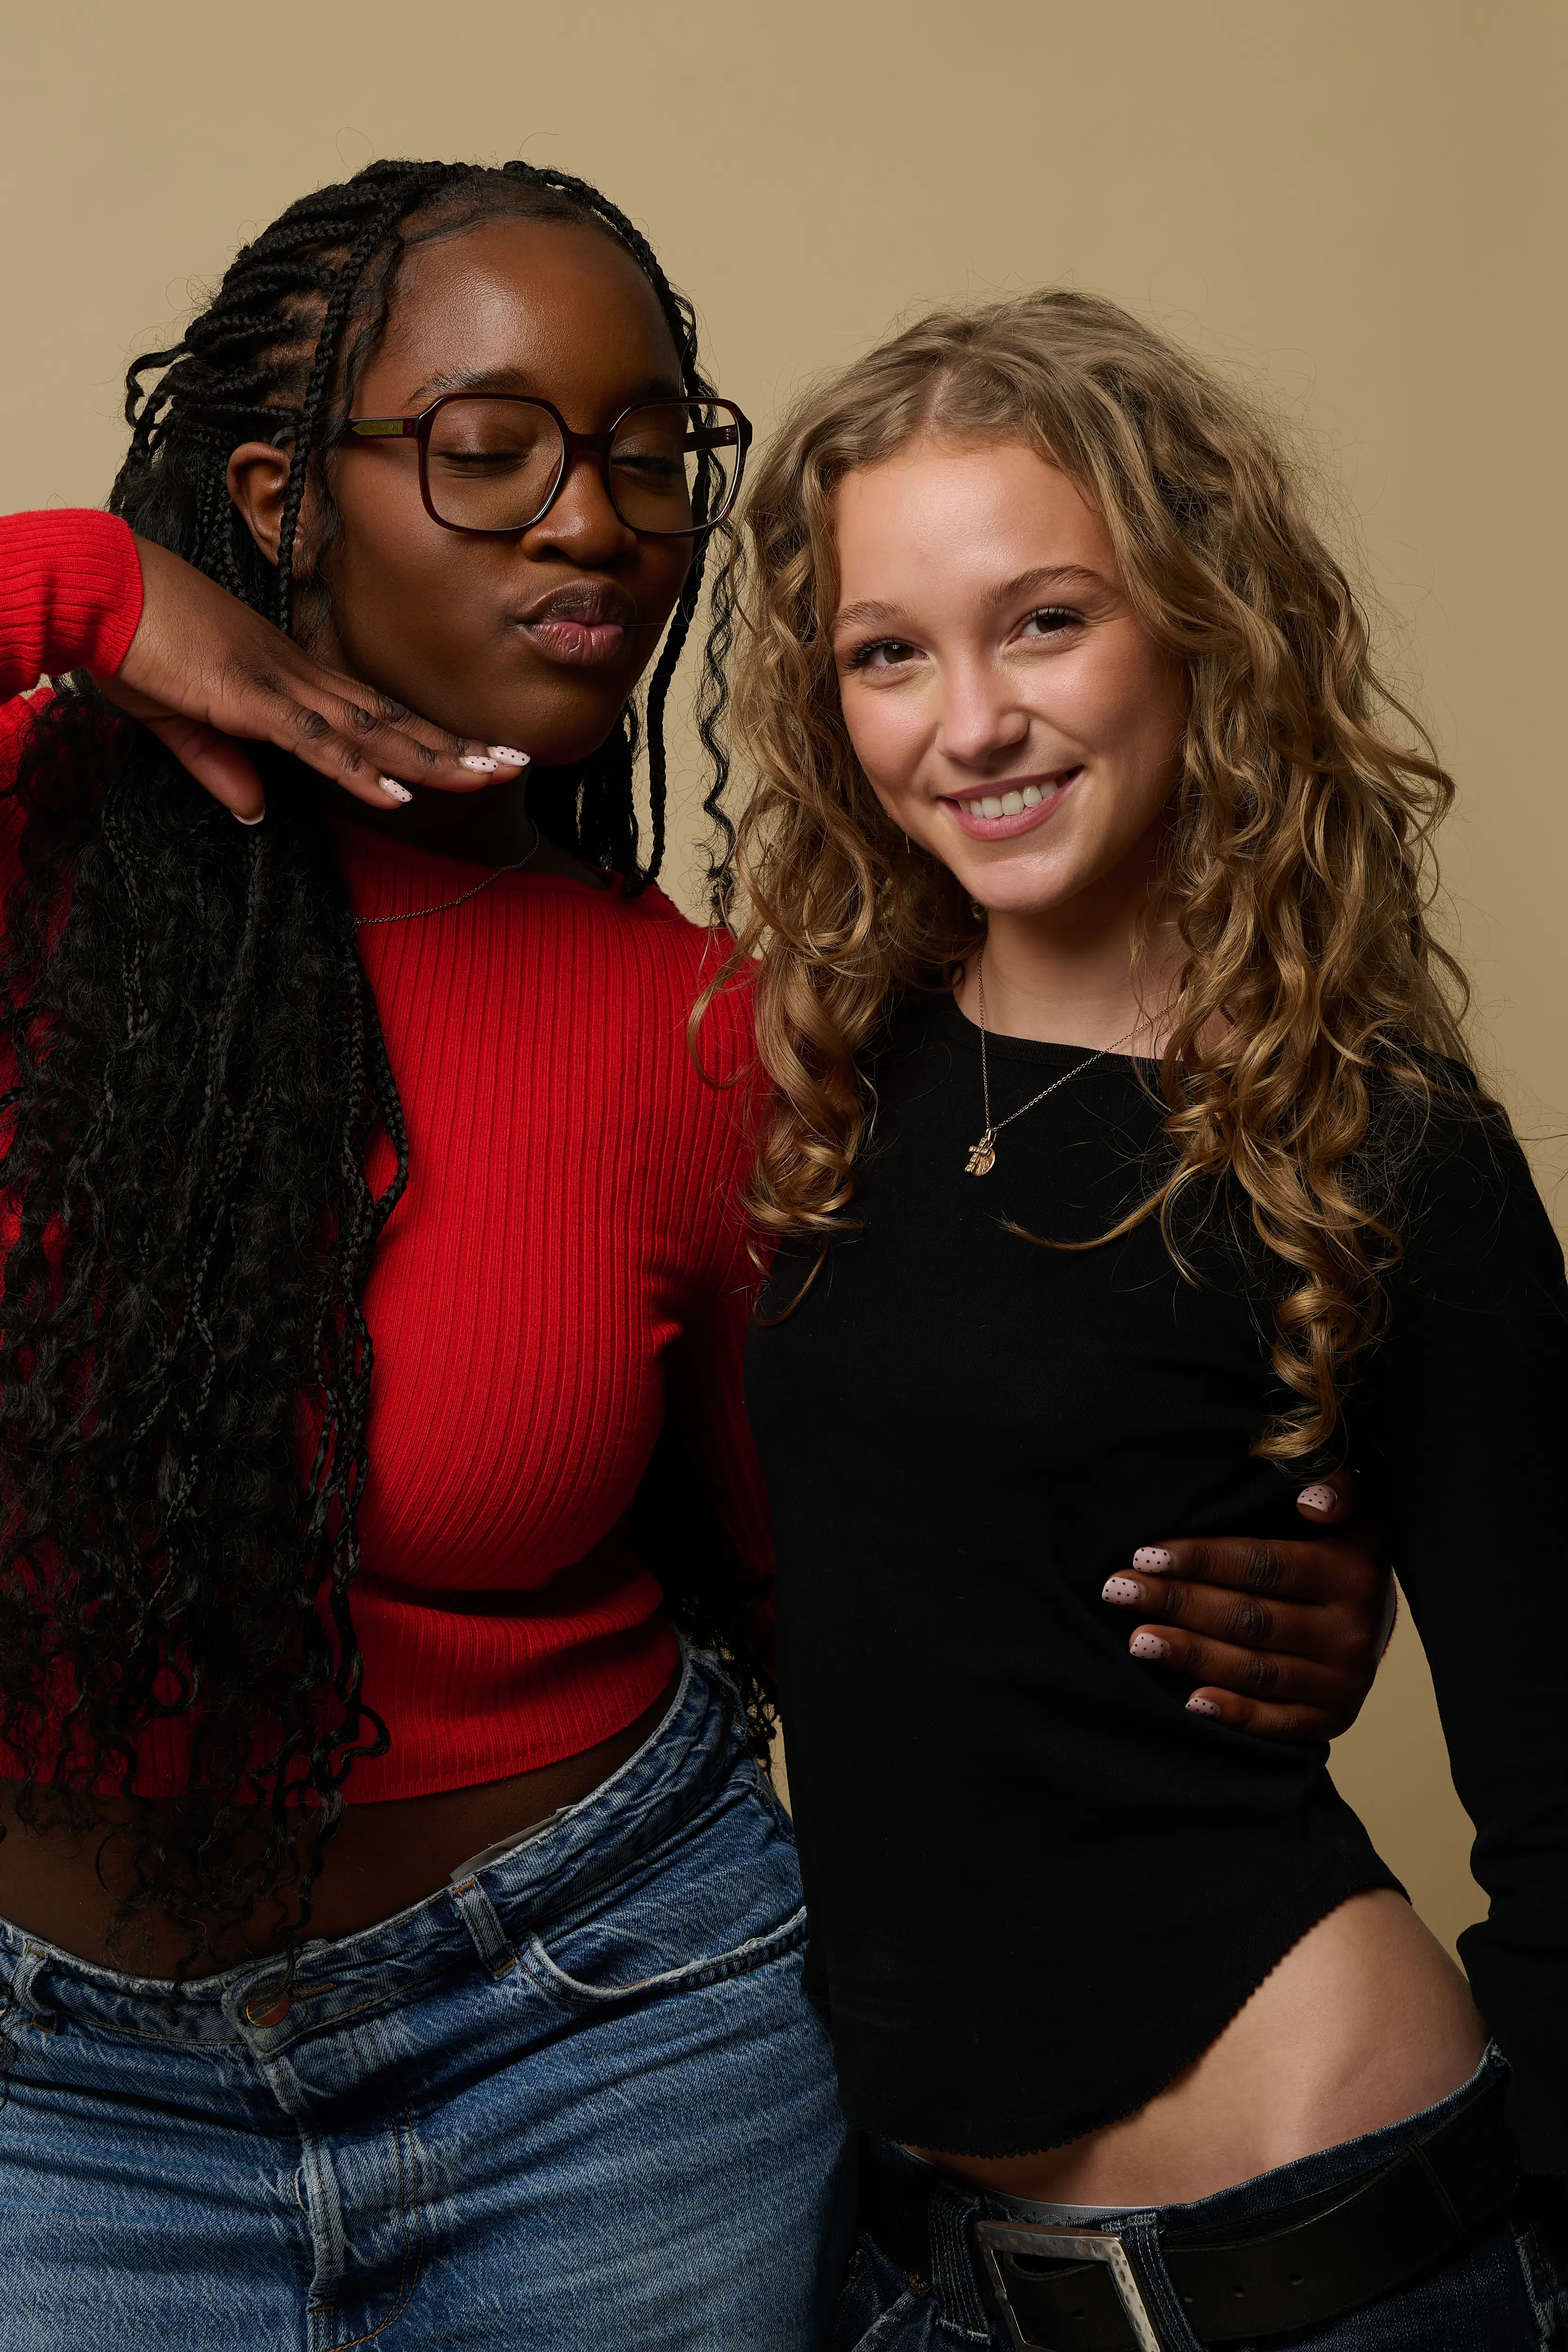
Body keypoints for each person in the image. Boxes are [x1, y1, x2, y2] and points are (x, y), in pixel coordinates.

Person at [0, 166, 1389, 2344]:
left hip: (606, 2044)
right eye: (487, 450)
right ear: (275, 490)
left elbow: (854, 1555)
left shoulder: (707, 1033)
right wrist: (75, 588)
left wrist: (1253, 1587)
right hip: (56, 2107)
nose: (593, 522)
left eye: (650, 458)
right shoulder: (30, 858)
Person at [725, 290, 1568, 2349]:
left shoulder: (1377, 1141)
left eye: (1042, 622)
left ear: (1200, 625)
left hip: (1331, 2248)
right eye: (886, 653)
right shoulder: (818, 1090)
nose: (968, 722)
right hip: (919, 2264)